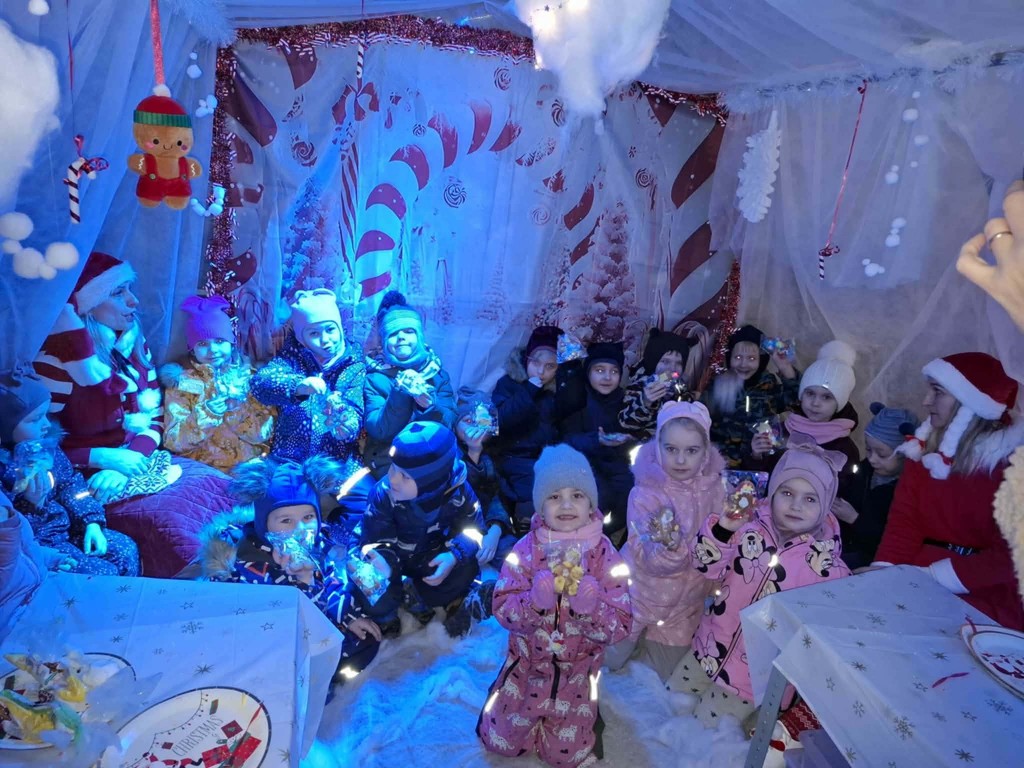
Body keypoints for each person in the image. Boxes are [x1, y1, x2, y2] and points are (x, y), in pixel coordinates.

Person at [33, 251, 233, 576]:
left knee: (218, 487)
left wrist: (132, 459)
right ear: (88, 305)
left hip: (139, 460)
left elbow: (154, 418)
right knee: (176, 527)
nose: (133, 301)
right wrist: (103, 458)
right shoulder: (57, 363)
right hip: (84, 478)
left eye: (130, 289)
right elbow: (35, 445)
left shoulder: (134, 345)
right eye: (118, 293)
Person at [477, 444, 633, 768]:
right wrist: (533, 603)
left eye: (577, 495)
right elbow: (502, 608)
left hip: (576, 677)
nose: (566, 504)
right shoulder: (525, 550)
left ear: (591, 503)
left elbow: (621, 625)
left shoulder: (606, 556)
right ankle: (503, 691)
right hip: (526, 670)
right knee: (500, 742)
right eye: (554, 496)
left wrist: (592, 610)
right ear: (540, 504)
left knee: (564, 757)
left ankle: (584, 717)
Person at [684, 437, 850, 727]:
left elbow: (821, 640)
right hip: (707, 648)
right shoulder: (748, 526)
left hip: (751, 680)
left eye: (810, 499)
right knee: (668, 703)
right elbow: (702, 564)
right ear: (772, 491)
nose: (796, 505)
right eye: (787, 492)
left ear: (825, 505)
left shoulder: (829, 571)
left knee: (701, 733)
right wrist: (723, 529)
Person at [874, 352, 1024, 630]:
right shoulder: (924, 455)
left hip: (986, 594)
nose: (925, 401)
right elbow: (904, 524)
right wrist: (883, 573)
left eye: (938, 391)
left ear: (970, 403)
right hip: (918, 578)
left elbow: (1009, 556)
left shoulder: (1013, 469)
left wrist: (931, 578)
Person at [199, 457, 381, 675]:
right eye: (286, 521)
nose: (300, 529)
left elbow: (330, 582)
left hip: (312, 617)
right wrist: (303, 581)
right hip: (268, 637)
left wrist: (348, 615)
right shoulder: (248, 567)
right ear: (264, 525)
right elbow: (288, 624)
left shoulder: (316, 544)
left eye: (308, 517)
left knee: (364, 638)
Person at [606, 402, 724, 682]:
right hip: (638, 597)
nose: (680, 460)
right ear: (658, 447)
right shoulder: (645, 492)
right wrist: (671, 548)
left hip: (685, 607)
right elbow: (647, 555)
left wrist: (715, 581)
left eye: (691, 451)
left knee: (661, 678)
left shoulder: (717, 489)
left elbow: (720, 541)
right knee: (609, 661)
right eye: (671, 449)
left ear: (705, 453)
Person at [0, 370, 140, 576]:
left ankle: (128, 593)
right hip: (41, 545)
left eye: (45, 415)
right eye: (35, 419)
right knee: (102, 573)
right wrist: (32, 504)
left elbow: (71, 485)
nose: (46, 425)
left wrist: (91, 522)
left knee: (125, 549)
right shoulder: (5, 471)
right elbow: (12, 534)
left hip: (70, 528)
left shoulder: (47, 449)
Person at [356, 422, 487, 638]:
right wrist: (384, 567)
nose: (392, 478)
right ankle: (387, 612)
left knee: (467, 567)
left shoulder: (459, 491)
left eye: (405, 476)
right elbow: (374, 540)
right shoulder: (383, 494)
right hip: (391, 556)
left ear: (430, 483)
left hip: (430, 553)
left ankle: (417, 595)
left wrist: (453, 556)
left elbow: (475, 530)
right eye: (393, 467)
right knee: (369, 582)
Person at [160, 295, 274, 472]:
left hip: (248, 467)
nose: (212, 349)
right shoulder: (182, 384)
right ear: (192, 349)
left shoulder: (251, 379)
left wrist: (237, 411)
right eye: (202, 343)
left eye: (219, 341)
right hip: (201, 470)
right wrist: (207, 414)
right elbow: (173, 441)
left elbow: (264, 434)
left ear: (231, 341)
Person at [363, 291, 457, 479]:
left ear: (420, 336)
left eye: (408, 331)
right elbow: (379, 430)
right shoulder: (375, 378)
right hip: (390, 461)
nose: (401, 337)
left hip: (432, 456)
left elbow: (448, 424)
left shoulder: (438, 374)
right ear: (384, 342)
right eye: (393, 334)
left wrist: (428, 406)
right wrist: (400, 392)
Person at [750, 340, 861, 490]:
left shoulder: (845, 449)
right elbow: (759, 481)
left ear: (839, 402)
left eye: (826, 397)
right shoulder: (781, 431)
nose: (815, 403)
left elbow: (848, 491)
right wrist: (756, 455)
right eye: (810, 393)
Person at [558, 341, 637, 538]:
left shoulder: (626, 401)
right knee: (599, 494)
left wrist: (629, 440)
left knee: (631, 492)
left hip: (617, 464)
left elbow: (637, 438)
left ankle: (606, 538)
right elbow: (565, 441)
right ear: (588, 372)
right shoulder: (577, 398)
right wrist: (596, 440)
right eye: (600, 370)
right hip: (583, 465)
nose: (607, 377)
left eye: (614, 371)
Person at [491, 325, 562, 534]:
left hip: (544, 457)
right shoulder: (508, 384)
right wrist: (529, 391)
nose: (541, 372)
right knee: (528, 491)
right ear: (526, 360)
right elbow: (500, 419)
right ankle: (522, 530)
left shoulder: (557, 391)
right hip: (512, 454)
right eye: (536, 363)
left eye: (550, 366)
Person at [833, 402, 919, 570]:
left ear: (905, 455)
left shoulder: (908, 491)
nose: (872, 459)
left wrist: (855, 519)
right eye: (868, 450)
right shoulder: (865, 470)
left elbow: (895, 540)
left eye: (882, 454)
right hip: (845, 545)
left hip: (876, 561)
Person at [703, 325, 798, 469]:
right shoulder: (719, 386)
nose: (744, 364)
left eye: (751, 358)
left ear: (761, 360)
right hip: (721, 467)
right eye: (738, 357)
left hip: (759, 465)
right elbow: (700, 418)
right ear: (729, 358)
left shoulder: (769, 387)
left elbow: (796, 401)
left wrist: (785, 368)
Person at [454, 390, 516, 568]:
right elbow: (460, 494)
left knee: (514, 556)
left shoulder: (495, 454)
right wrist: (473, 452)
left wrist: (496, 529)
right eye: (467, 421)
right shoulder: (450, 455)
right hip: (458, 529)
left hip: (490, 522)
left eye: (480, 421)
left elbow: (499, 496)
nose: (475, 427)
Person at [618, 328, 696, 441]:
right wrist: (645, 402)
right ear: (653, 362)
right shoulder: (640, 386)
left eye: (679, 363)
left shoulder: (680, 386)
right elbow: (625, 423)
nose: (672, 368)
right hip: (645, 446)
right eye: (665, 361)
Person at [0, 489, 52, 643]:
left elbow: (24, 546)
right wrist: (5, 529)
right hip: (11, 628)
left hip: (41, 592)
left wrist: (52, 557)